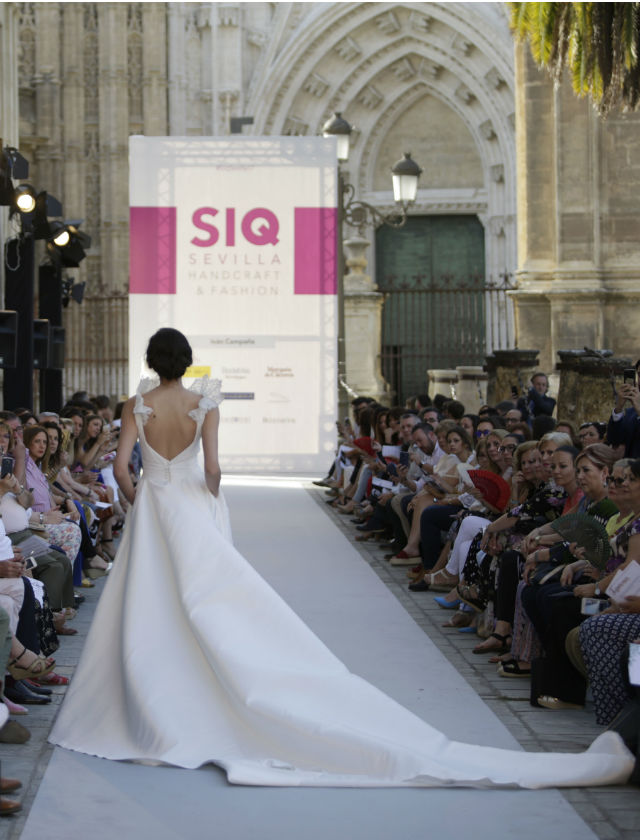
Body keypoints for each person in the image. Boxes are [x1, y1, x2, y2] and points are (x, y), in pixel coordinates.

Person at [48, 328, 633, 788]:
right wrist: (203, 500)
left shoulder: (136, 404)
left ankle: (148, 700)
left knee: (148, 602)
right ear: (187, 359)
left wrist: (141, 495)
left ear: (153, 361)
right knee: (208, 599)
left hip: (154, 506)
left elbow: (124, 467)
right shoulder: (204, 400)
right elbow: (213, 469)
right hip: (192, 506)